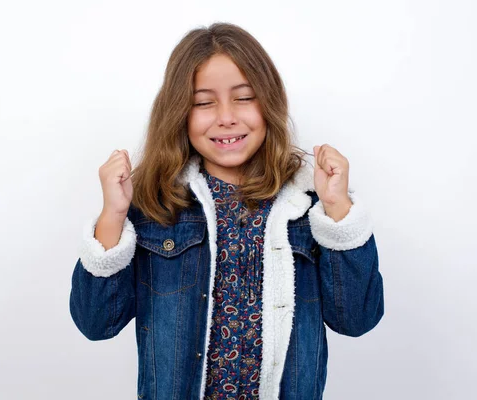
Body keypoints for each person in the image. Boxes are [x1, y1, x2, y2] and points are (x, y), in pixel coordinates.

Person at [70, 22, 384, 400]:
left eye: (244, 97)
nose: (226, 117)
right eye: (203, 102)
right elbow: (96, 323)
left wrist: (338, 209)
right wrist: (113, 216)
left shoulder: (310, 202)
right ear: (179, 113)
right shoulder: (155, 203)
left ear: (269, 102)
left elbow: (357, 319)